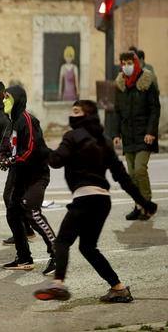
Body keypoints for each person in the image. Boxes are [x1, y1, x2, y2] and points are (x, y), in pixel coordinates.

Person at [34, 100, 158, 302]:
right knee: (88, 248)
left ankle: (58, 284)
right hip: (102, 201)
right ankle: (118, 289)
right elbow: (122, 177)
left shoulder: (72, 136)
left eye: (76, 111)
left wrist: (40, 145)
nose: (72, 114)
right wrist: (144, 202)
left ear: (86, 115)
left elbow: (55, 161)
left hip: (84, 198)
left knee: (63, 241)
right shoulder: (104, 141)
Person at [0, 85, 56, 275]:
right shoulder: (12, 121)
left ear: (18, 99)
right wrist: (0, 157)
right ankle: (24, 257)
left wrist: (11, 160)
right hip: (21, 174)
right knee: (12, 212)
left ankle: (57, 253)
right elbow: (8, 145)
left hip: (36, 175)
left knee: (32, 212)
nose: (4, 101)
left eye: (8, 98)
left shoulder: (27, 120)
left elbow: (29, 149)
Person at [0, 81, 36, 246]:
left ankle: (25, 233)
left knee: (11, 198)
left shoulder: (6, 117)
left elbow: (9, 143)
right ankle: (26, 231)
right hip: (15, 161)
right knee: (14, 198)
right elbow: (5, 142)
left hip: (21, 162)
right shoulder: (3, 115)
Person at [112, 51, 161, 220]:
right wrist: (116, 133)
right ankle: (138, 205)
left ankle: (147, 204)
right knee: (131, 174)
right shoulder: (120, 85)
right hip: (128, 135)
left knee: (140, 169)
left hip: (144, 135)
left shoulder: (147, 82)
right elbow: (117, 111)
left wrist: (150, 132)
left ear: (136, 63)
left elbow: (155, 110)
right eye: (123, 63)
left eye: (129, 63)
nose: (126, 66)